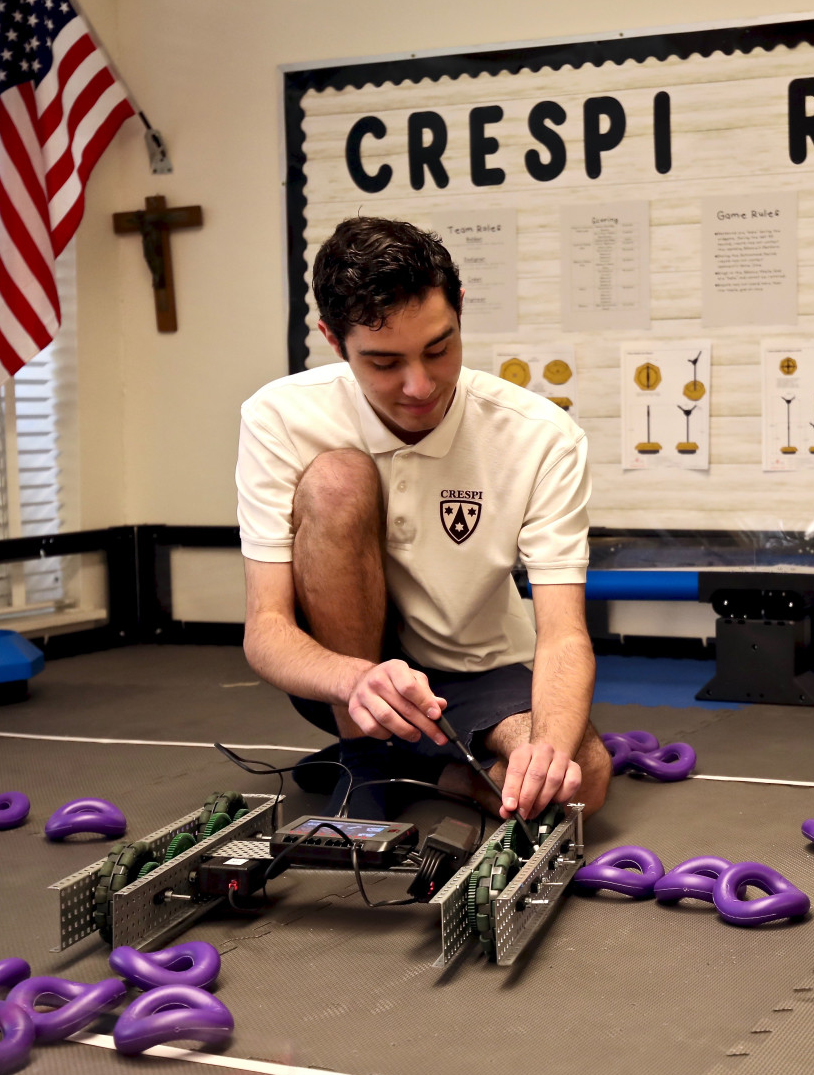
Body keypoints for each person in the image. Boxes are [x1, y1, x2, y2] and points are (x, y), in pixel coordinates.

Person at [236, 216, 610, 823]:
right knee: (336, 480)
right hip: (345, 676)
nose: (418, 386)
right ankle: (361, 755)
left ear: (459, 309)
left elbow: (564, 634)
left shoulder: (542, 437)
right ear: (333, 340)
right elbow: (267, 630)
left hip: (478, 667)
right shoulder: (278, 417)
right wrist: (356, 679)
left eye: (439, 349)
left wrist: (548, 753)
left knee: (575, 785)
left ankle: (419, 767)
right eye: (384, 362)